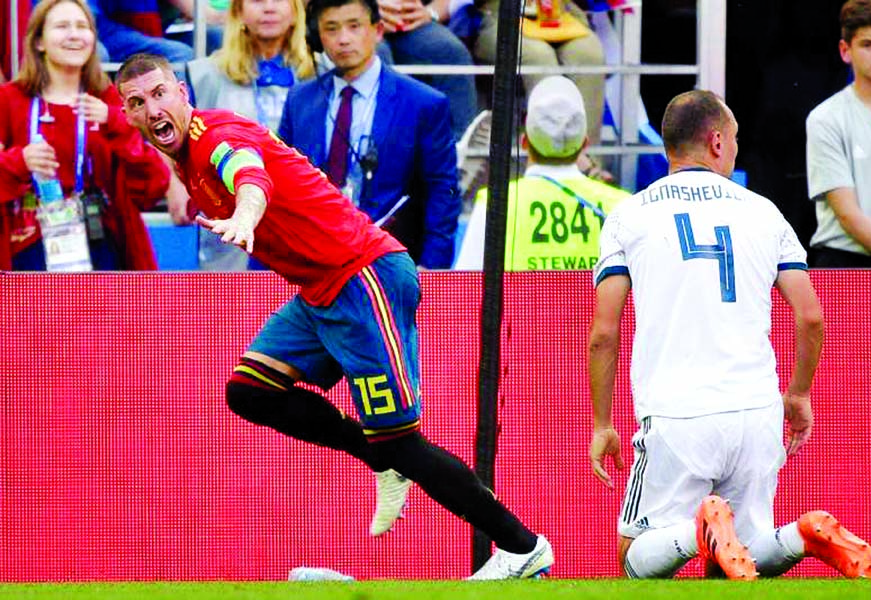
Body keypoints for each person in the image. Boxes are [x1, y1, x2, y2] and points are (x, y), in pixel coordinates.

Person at [116, 53, 553, 578]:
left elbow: (250, 176)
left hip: (362, 276)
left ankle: (523, 546)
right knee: (249, 391)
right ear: (129, 113)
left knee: (403, 443)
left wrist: (245, 216)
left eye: (160, 94)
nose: (152, 108)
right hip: (320, 289)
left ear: (183, 92)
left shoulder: (214, 139)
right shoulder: (186, 155)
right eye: (138, 102)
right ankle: (378, 455)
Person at [588, 89, 871, 579]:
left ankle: (696, 530)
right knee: (747, 551)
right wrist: (799, 394)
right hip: (755, 410)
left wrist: (603, 423)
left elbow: (605, 331)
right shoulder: (763, 212)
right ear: (718, 141)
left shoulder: (629, 215)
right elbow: (810, 316)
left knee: (633, 558)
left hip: (676, 413)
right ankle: (801, 534)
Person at [280, 0, 461, 269]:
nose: (343, 39)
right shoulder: (299, 100)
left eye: (355, 26)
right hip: (313, 263)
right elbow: (281, 185)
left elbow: (442, 192)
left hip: (393, 264)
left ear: (377, 30)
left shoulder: (423, 103)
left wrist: (433, 269)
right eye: (331, 29)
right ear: (317, 37)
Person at [0, 0, 170, 271]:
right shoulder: (10, 100)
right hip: (27, 244)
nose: (74, 35)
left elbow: (152, 187)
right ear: (39, 41)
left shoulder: (110, 101)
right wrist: (19, 161)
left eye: (82, 26)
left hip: (98, 241)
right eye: (61, 26)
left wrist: (116, 125)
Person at [182, 0, 315, 270]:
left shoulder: (321, 71)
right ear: (238, 11)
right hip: (230, 217)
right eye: (257, 0)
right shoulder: (203, 74)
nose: (268, 8)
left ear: (295, 12)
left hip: (300, 216)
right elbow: (180, 142)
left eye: (279, 0)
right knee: (235, 308)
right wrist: (177, 187)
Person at [454, 75, 629, 270]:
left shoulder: (496, 203)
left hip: (517, 301)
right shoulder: (622, 205)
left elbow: (467, 287)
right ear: (584, 145)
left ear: (524, 142)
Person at [805, 0, 871, 268]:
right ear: (845, 50)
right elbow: (847, 214)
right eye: (869, 44)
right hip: (846, 263)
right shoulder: (826, 118)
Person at [469, 0, 607, 149]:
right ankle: (546, 159)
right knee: (540, 57)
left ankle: (587, 160)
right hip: (500, 13)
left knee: (589, 55)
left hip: (561, 14)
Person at [376, 0, 477, 142]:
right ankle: (379, 152)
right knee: (376, 57)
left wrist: (434, 10)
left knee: (451, 52)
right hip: (350, 17)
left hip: (411, 20)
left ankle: (460, 153)